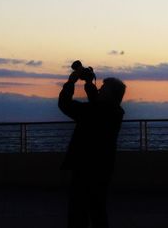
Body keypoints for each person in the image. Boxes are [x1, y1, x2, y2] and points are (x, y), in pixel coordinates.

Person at [58, 62, 125, 228]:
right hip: (103, 168)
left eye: (103, 89)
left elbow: (65, 105)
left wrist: (71, 82)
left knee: (78, 212)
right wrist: (88, 83)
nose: (99, 91)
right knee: (97, 210)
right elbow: (98, 102)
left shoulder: (94, 112)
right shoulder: (115, 112)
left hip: (84, 168)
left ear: (110, 95)